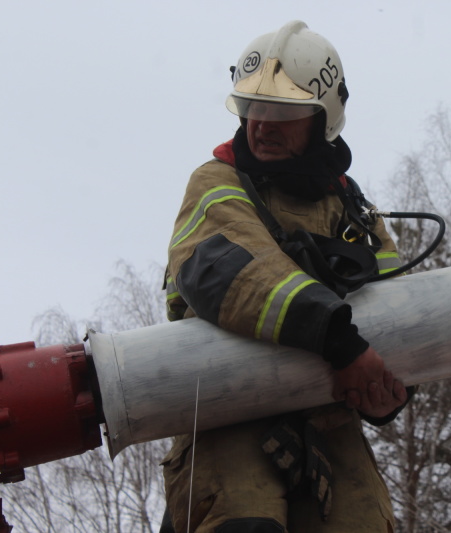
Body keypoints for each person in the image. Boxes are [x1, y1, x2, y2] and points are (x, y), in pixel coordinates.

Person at [160, 20, 411, 533]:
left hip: (331, 419)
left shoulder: (357, 214)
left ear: (323, 118)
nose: (262, 125)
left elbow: (403, 322)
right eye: (253, 107)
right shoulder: (218, 182)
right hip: (229, 409)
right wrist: (342, 343)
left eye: (283, 111)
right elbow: (233, 272)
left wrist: (389, 391)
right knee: (246, 524)